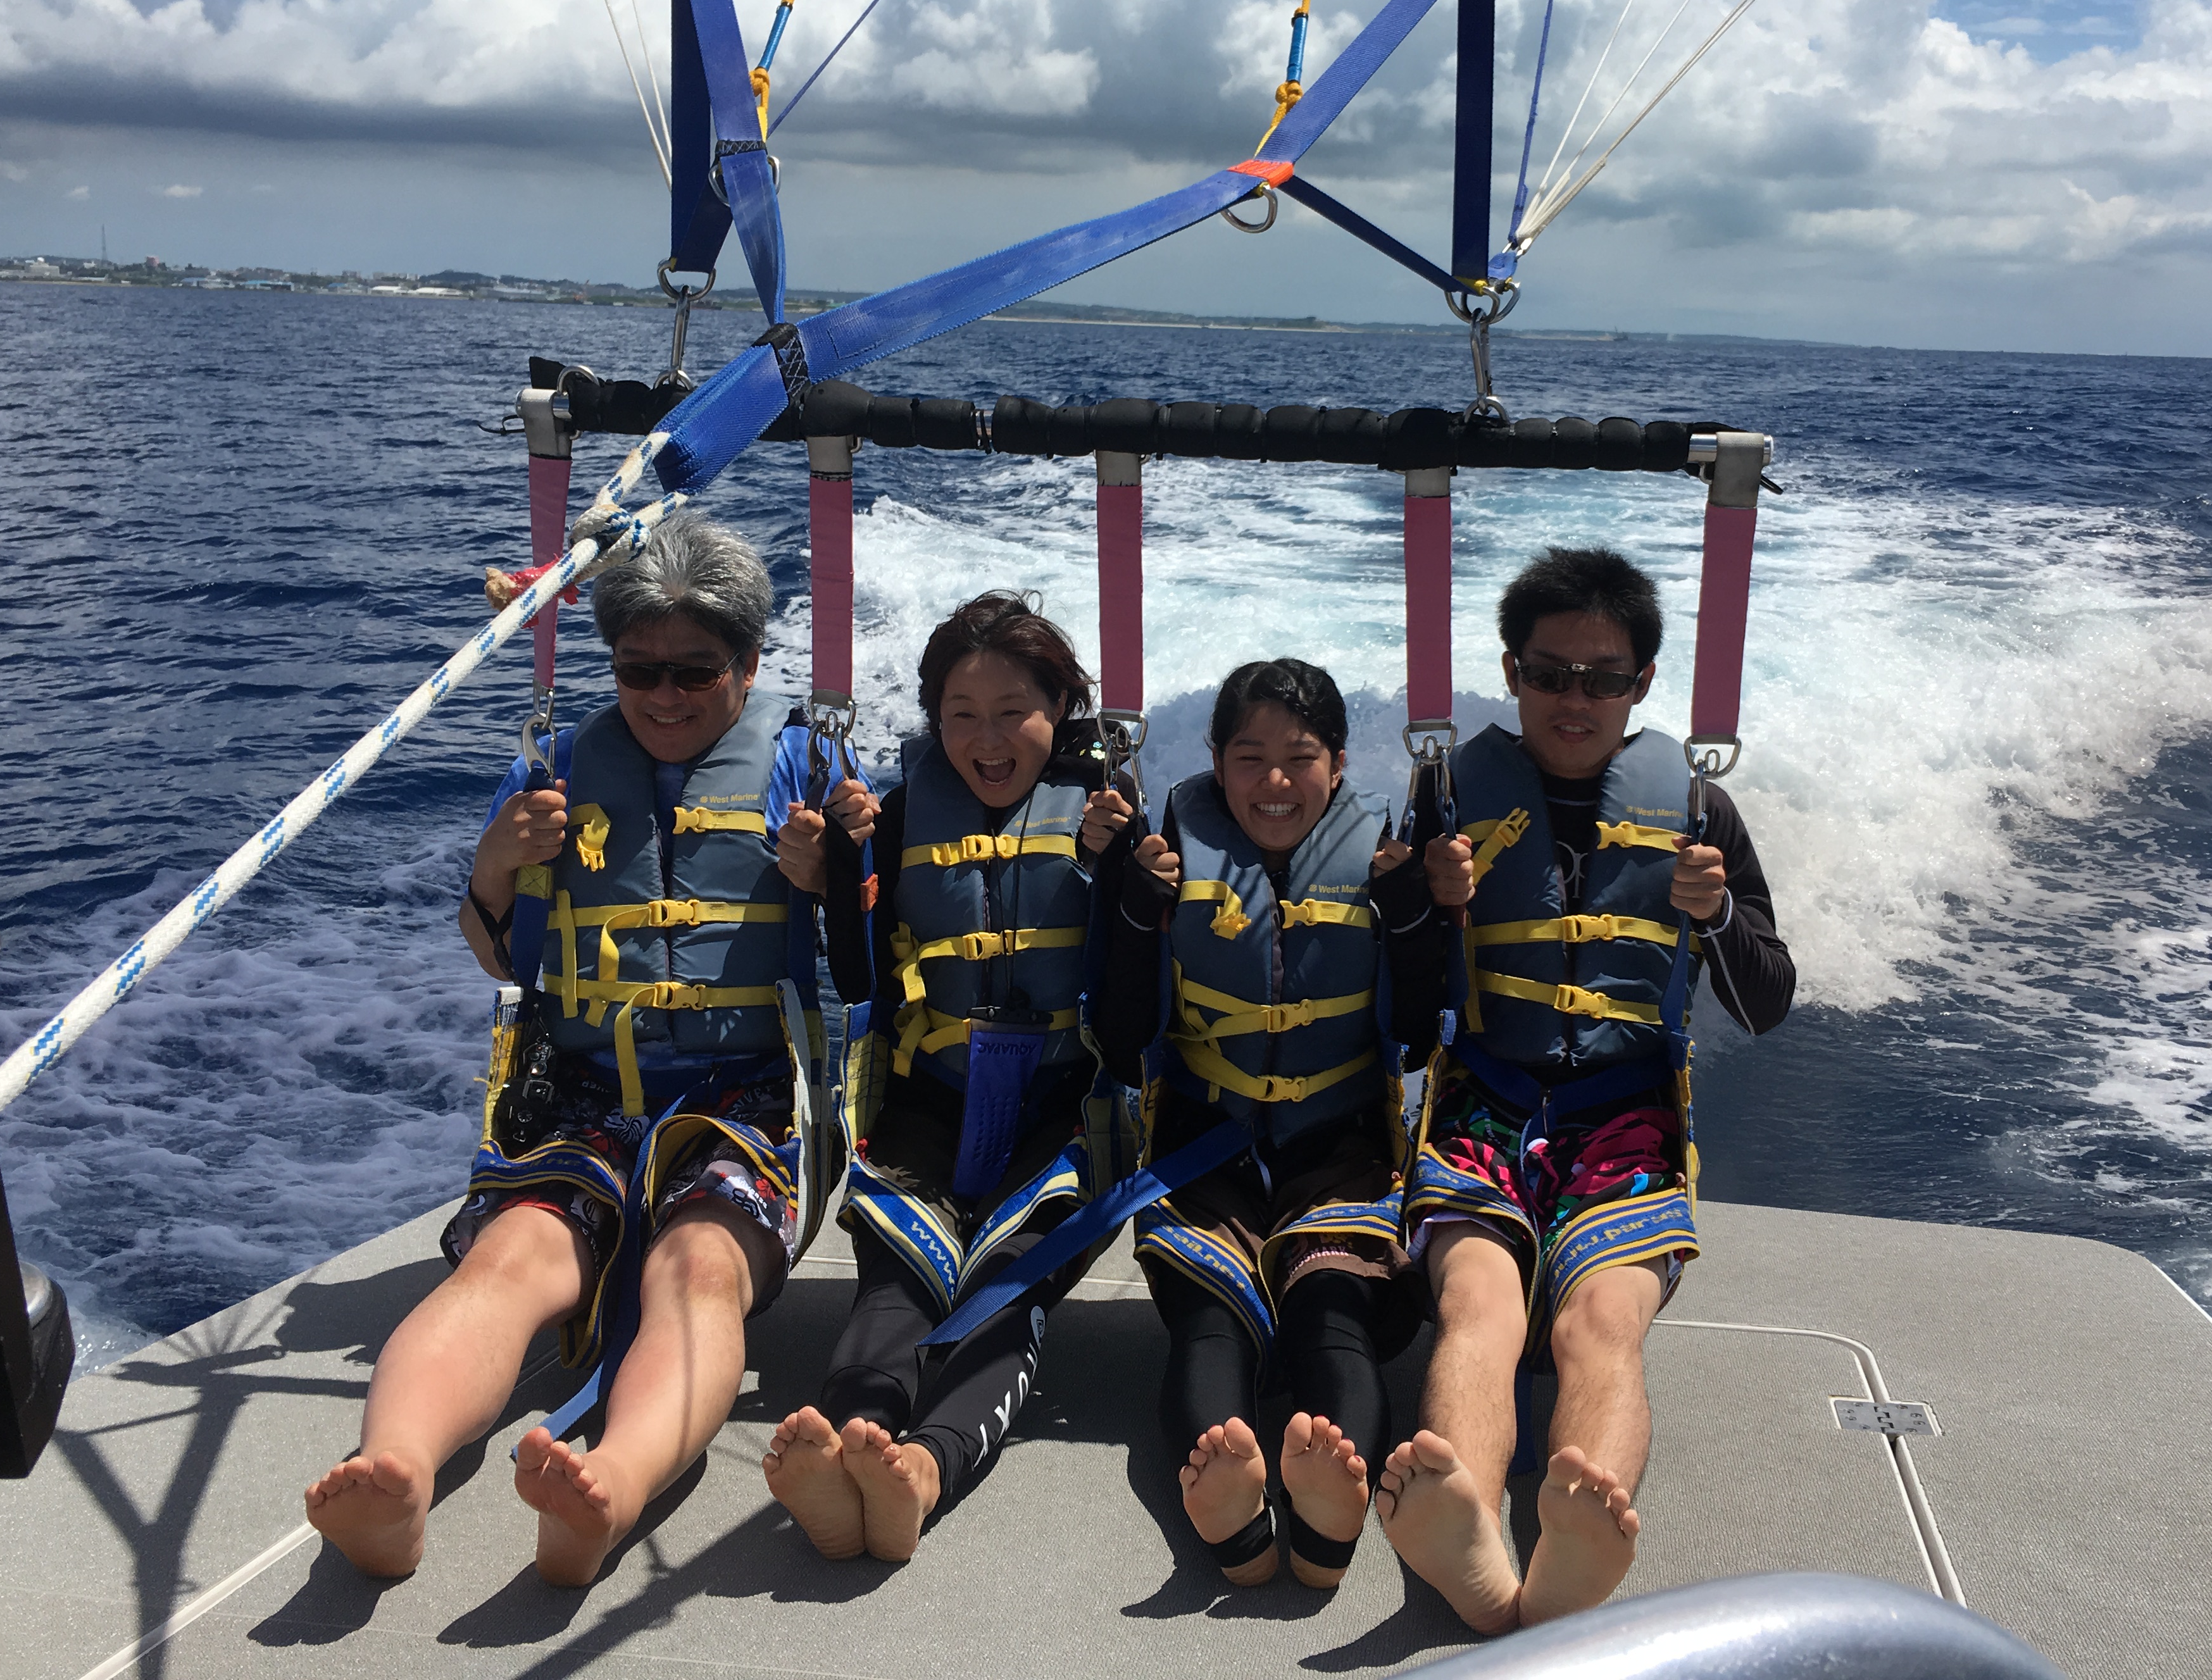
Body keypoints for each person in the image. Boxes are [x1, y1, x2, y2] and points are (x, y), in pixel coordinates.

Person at [305, 516, 853, 1587]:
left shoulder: (807, 768)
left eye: (696, 671)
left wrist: (832, 876)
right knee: (512, 1260)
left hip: (747, 1104)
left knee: (699, 1269)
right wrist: (495, 868)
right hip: (585, 1095)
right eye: (639, 670)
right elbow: (501, 955)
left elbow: (876, 959)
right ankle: (395, 1473)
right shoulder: (554, 769)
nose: (665, 695)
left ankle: (614, 1485)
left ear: (748, 664)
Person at [1377, 545, 1794, 1633]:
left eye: (1602, 678)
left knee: (1601, 1323)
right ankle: (1473, 1536)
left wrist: (1716, 917)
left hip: (1628, 1116)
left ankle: (1576, 1536)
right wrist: (1425, 908)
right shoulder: (1444, 801)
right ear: (1510, 672)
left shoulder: (1698, 812)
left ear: (1641, 684)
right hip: (1483, 1104)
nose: (1574, 699)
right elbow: (1398, 1017)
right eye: (1549, 673)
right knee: (1478, 1306)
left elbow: (1767, 1000)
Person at [762, 591, 1136, 1562]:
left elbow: (1139, 1017)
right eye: (962, 715)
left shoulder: (1112, 820)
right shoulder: (897, 819)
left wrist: (1126, 877)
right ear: (934, 721)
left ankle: (924, 1468)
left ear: (1061, 709)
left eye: (1015, 711)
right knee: (895, 1282)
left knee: (1009, 1283)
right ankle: (854, 1445)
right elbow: (859, 981)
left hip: (1062, 1118)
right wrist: (838, 871)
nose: (989, 739)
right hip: (931, 1104)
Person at [1096, 660, 1464, 1590]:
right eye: (1248, 757)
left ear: (1337, 765)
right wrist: (1134, 908)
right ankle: (1231, 1511)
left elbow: (1418, 1040)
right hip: (1203, 1149)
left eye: (1300, 758)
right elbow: (1124, 1036)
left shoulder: (1380, 860)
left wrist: (1411, 918)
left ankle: (1330, 1518)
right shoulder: (1169, 855)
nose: (1274, 781)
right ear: (1215, 761)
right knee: (1209, 1329)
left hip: (1339, 1151)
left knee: (1330, 1317)